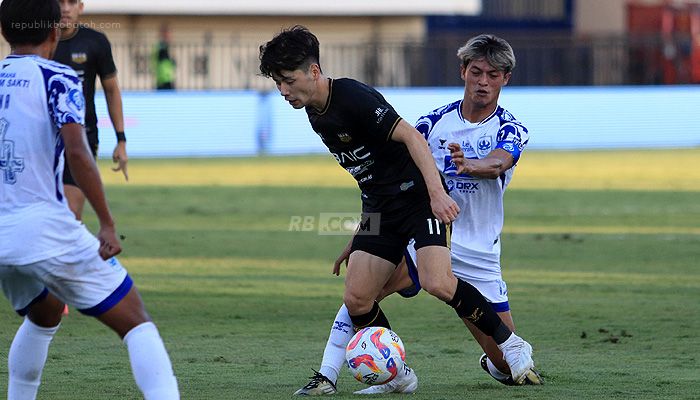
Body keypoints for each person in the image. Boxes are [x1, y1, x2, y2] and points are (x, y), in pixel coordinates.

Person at [259, 26, 537, 395]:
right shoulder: (318, 113)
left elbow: (416, 140)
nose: (283, 91)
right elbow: (371, 175)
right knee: (357, 295)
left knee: (447, 294)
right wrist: (360, 235)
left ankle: (511, 346)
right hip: (391, 212)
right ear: (463, 72)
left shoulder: (355, 97)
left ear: (312, 72)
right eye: (476, 72)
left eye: (288, 81)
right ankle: (385, 375)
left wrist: (441, 190)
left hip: (436, 215)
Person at [0, 1, 179, 399]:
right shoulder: (57, 76)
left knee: (44, 313)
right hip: (42, 225)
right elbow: (78, 153)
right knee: (135, 319)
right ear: (53, 32)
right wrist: (107, 223)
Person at [53, 0, 128, 221]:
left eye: (71, 2)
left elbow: (112, 91)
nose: (65, 8)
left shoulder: (95, 42)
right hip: (43, 141)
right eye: (59, 2)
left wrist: (121, 140)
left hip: (81, 139)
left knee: (69, 215)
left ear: (81, 7)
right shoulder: (37, 42)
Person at [152, 24, 176, 90]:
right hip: (162, 79)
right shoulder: (160, 47)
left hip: (168, 78)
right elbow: (155, 62)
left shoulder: (166, 47)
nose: (170, 35)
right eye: (168, 33)